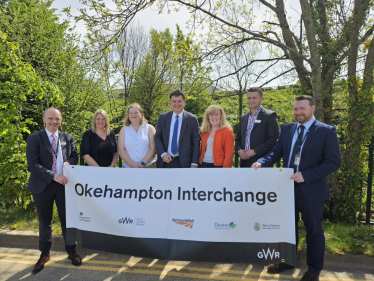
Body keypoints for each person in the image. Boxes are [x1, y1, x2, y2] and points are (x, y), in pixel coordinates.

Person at [252, 95, 341, 281]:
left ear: (313, 108)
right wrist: (261, 162)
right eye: (295, 109)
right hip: (287, 189)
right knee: (286, 229)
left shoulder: (327, 131)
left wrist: (306, 175)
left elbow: (333, 162)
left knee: (314, 231)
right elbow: (276, 152)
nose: (298, 112)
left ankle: (314, 271)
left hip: (313, 190)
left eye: (302, 109)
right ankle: (286, 260)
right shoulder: (287, 129)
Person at [26, 108, 82, 273]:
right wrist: (53, 176)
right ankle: (44, 254)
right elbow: (33, 164)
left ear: (61, 120)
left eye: (57, 119)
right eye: (50, 118)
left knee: (68, 220)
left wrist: (68, 163)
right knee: (45, 222)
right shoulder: (34, 138)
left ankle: (71, 250)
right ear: (44, 119)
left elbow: (74, 155)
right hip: (42, 186)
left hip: (64, 185)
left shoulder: (67, 137)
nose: (54, 122)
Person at [154, 89, 200, 168]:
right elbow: (157, 137)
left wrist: (194, 163)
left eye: (179, 101)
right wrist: (162, 153)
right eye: (174, 101)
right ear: (170, 103)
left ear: (184, 102)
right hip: (165, 162)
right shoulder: (163, 117)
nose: (177, 104)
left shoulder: (192, 119)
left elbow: (196, 143)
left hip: (184, 163)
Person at [235, 87, 279, 167]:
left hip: (261, 163)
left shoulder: (269, 116)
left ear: (261, 98)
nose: (251, 101)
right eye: (249, 98)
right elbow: (237, 140)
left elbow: (274, 140)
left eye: (254, 98)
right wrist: (239, 151)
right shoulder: (243, 118)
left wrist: (255, 151)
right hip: (244, 163)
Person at [118, 103, 156, 168]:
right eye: (131, 113)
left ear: (141, 114)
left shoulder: (150, 128)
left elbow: (153, 148)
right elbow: (121, 149)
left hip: (148, 166)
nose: (133, 115)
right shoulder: (123, 130)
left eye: (136, 112)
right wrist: (132, 165)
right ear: (128, 115)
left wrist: (142, 164)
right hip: (128, 168)